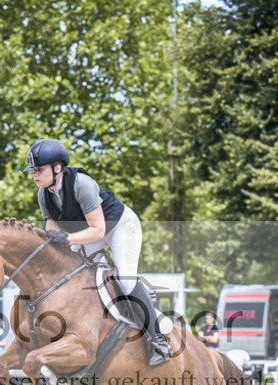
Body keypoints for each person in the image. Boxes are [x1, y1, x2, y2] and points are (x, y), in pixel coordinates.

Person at [24, 138, 171, 367]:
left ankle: (159, 340)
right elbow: (53, 229)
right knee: (68, 273)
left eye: (39, 169)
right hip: (88, 233)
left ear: (58, 167)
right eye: (33, 170)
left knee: (125, 279)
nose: (35, 175)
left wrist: (66, 239)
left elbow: (99, 229)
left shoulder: (81, 184)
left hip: (119, 227)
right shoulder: (44, 193)